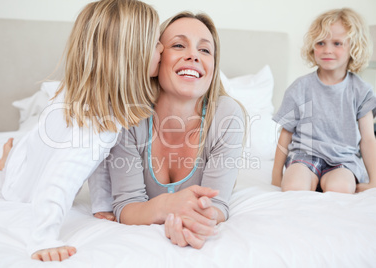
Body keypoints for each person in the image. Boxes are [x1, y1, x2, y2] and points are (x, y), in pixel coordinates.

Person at [0, 0, 163, 261]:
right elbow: (59, 180)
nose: (161, 48)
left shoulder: (93, 104)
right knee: (14, 160)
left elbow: (97, 160)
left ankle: (12, 151)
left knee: (31, 147)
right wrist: (44, 239)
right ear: (131, 55)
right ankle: (7, 156)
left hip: (35, 151)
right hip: (20, 182)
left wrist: (102, 204)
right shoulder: (95, 127)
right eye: (155, 43)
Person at [90, 11, 247, 249]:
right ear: (155, 57)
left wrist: (193, 222)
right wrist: (169, 208)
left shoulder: (227, 116)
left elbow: (218, 206)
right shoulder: (130, 115)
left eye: (205, 50)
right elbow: (126, 206)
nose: (193, 55)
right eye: (178, 45)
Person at [272, 8, 376, 193]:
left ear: (354, 47)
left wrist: (373, 180)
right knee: (294, 186)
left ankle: (327, 182)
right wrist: (276, 177)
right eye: (321, 43)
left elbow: (368, 139)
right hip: (304, 156)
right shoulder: (300, 87)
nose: (327, 50)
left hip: (343, 160)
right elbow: (285, 134)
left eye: (337, 43)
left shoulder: (362, 91)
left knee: (341, 188)